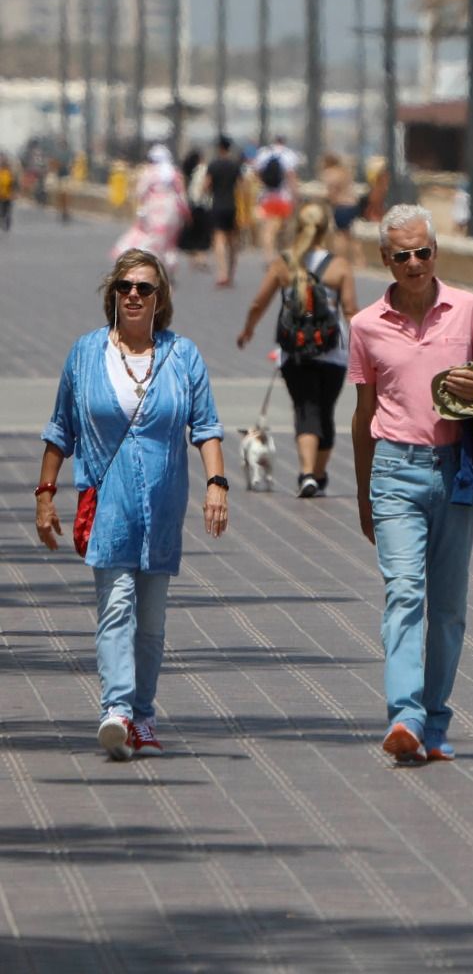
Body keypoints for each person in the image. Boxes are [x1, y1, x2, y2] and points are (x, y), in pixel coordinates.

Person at [36, 248, 229, 760]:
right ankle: (117, 711)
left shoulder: (181, 355)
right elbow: (61, 430)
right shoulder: (85, 354)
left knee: (152, 621)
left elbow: (206, 428)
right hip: (108, 506)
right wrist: (45, 495)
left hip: (162, 509)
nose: (135, 295)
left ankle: (144, 713)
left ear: (160, 298)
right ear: (113, 295)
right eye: (126, 287)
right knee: (116, 605)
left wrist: (217, 484)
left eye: (145, 287)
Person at [350, 204, 473, 763]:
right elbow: (361, 414)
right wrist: (362, 493)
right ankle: (406, 716)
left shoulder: (468, 310)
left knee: (447, 607)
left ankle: (435, 724)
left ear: (435, 253)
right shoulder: (365, 325)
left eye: (423, 252)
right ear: (386, 260)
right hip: (394, 469)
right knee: (404, 594)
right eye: (403, 255)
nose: (415, 263)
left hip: (457, 472)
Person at [235, 201, 360, 497]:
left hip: (295, 352)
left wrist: (248, 331)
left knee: (305, 408)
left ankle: (306, 473)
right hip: (333, 353)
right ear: (326, 229)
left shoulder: (284, 263)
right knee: (326, 410)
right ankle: (317, 474)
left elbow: (258, 303)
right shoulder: (339, 266)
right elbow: (352, 311)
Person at [113, 146, 190, 272]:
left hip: (155, 210)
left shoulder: (150, 173)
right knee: (169, 243)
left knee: (154, 240)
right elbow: (182, 195)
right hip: (172, 211)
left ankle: (156, 269)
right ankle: (169, 267)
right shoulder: (174, 173)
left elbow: (140, 192)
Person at [204, 136, 245, 286]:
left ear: (219, 148)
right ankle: (231, 273)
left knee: (219, 239)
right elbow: (242, 186)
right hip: (232, 205)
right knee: (233, 240)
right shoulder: (235, 165)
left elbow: (206, 186)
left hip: (217, 204)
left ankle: (222, 272)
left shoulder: (213, 165)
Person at [254, 134, 300, 253]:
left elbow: (257, 174)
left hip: (267, 197)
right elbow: (291, 177)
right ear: (284, 142)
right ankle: (282, 253)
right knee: (284, 228)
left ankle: (268, 256)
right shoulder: (289, 155)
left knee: (268, 228)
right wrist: (296, 196)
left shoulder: (263, 153)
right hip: (283, 197)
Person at [176, 148, 214, 273]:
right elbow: (205, 186)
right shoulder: (203, 170)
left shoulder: (187, 172)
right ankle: (201, 259)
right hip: (203, 205)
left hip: (191, 205)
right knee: (203, 234)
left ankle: (194, 259)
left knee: (192, 233)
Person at [322, 152, 361, 264]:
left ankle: (339, 259)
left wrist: (329, 203)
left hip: (341, 205)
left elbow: (332, 191)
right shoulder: (344, 172)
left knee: (340, 235)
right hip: (352, 204)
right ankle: (359, 260)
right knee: (350, 234)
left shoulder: (330, 173)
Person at [0, 152, 15, 232]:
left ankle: (7, 222)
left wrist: (12, 193)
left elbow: (12, 184)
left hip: (7, 195)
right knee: (2, 210)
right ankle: (3, 221)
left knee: (7, 210)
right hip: (1, 195)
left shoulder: (9, 173)